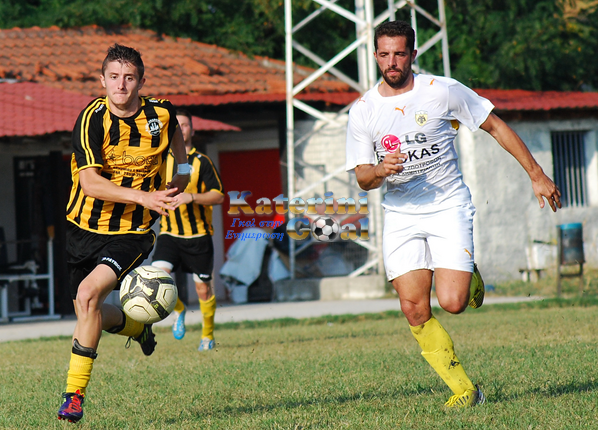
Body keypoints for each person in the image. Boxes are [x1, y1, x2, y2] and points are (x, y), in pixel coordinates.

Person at [345, 20, 561, 408]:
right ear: (375, 56)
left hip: (447, 205)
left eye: (399, 54)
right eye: (384, 54)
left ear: (413, 54)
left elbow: (495, 126)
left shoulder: (442, 91)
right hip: (400, 214)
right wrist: (379, 169)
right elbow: (363, 177)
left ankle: (466, 271)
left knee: (453, 302)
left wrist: (536, 174)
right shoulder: (363, 111)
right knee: (413, 308)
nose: (392, 62)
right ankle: (466, 391)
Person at [57, 43, 190, 423]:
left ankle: (73, 396)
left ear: (141, 82)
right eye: (114, 77)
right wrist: (145, 196)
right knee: (89, 310)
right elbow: (90, 183)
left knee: (88, 296)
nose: (121, 85)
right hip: (82, 227)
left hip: (132, 230)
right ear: (102, 80)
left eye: (129, 78)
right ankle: (137, 327)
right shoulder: (92, 118)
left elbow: (180, 154)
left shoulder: (161, 114)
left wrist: (177, 182)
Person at [151, 109, 224, 351]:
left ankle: (207, 336)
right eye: (177, 125)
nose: (181, 129)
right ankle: (179, 309)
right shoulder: (160, 160)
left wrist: (191, 197)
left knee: (203, 289)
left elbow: (219, 196)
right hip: (169, 234)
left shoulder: (202, 162)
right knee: (157, 279)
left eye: (184, 125)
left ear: (192, 129)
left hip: (199, 236)